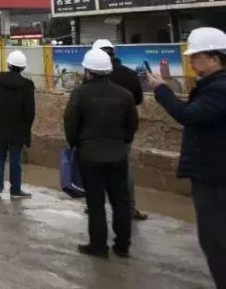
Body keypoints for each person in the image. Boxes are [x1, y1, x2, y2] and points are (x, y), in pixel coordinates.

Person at [147, 26, 226, 286]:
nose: (191, 61)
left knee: (216, 241)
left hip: (215, 176)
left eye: (197, 56)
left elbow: (189, 115)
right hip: (212, 172)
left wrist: (162, 90)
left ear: (215, 58)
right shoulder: (212, 86)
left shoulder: (219, 89)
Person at [63, 45, 138, 259]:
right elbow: (132, 124)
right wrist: (123, 141)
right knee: (120, 201)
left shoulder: (80, 94)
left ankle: (98, 246)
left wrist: (75, 143)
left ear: (88, 71)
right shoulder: (124, 95)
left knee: (95, 203)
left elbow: (70, 122)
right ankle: (122, 245)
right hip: (118, 155)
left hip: (90, 155)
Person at [95, 38, 149, 221]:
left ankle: (95, 205)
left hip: (98, 132)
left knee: (96, 168)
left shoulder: (93, 77)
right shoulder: (129, 74)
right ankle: (129, 207)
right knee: (125, 169)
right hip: (124, 132)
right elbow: (138, 99)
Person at [0, 49, 35, 198]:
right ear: (23, 67)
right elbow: (30, 111)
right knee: (15, 159)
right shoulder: (27, 85)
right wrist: (26, 127)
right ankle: (15, 190)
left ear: (8, 64)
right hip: (18, 128)